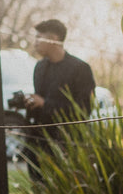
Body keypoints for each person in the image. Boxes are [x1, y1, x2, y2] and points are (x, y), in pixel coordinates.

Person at [22, 18, 96, 179]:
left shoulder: (80, 69)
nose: (35, 42)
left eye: (39, 37)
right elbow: (40, 101)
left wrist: (45, 103)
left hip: (68, 144)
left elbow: (84, 110)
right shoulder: (40, 67)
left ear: (54, 39)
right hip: (40, 142)